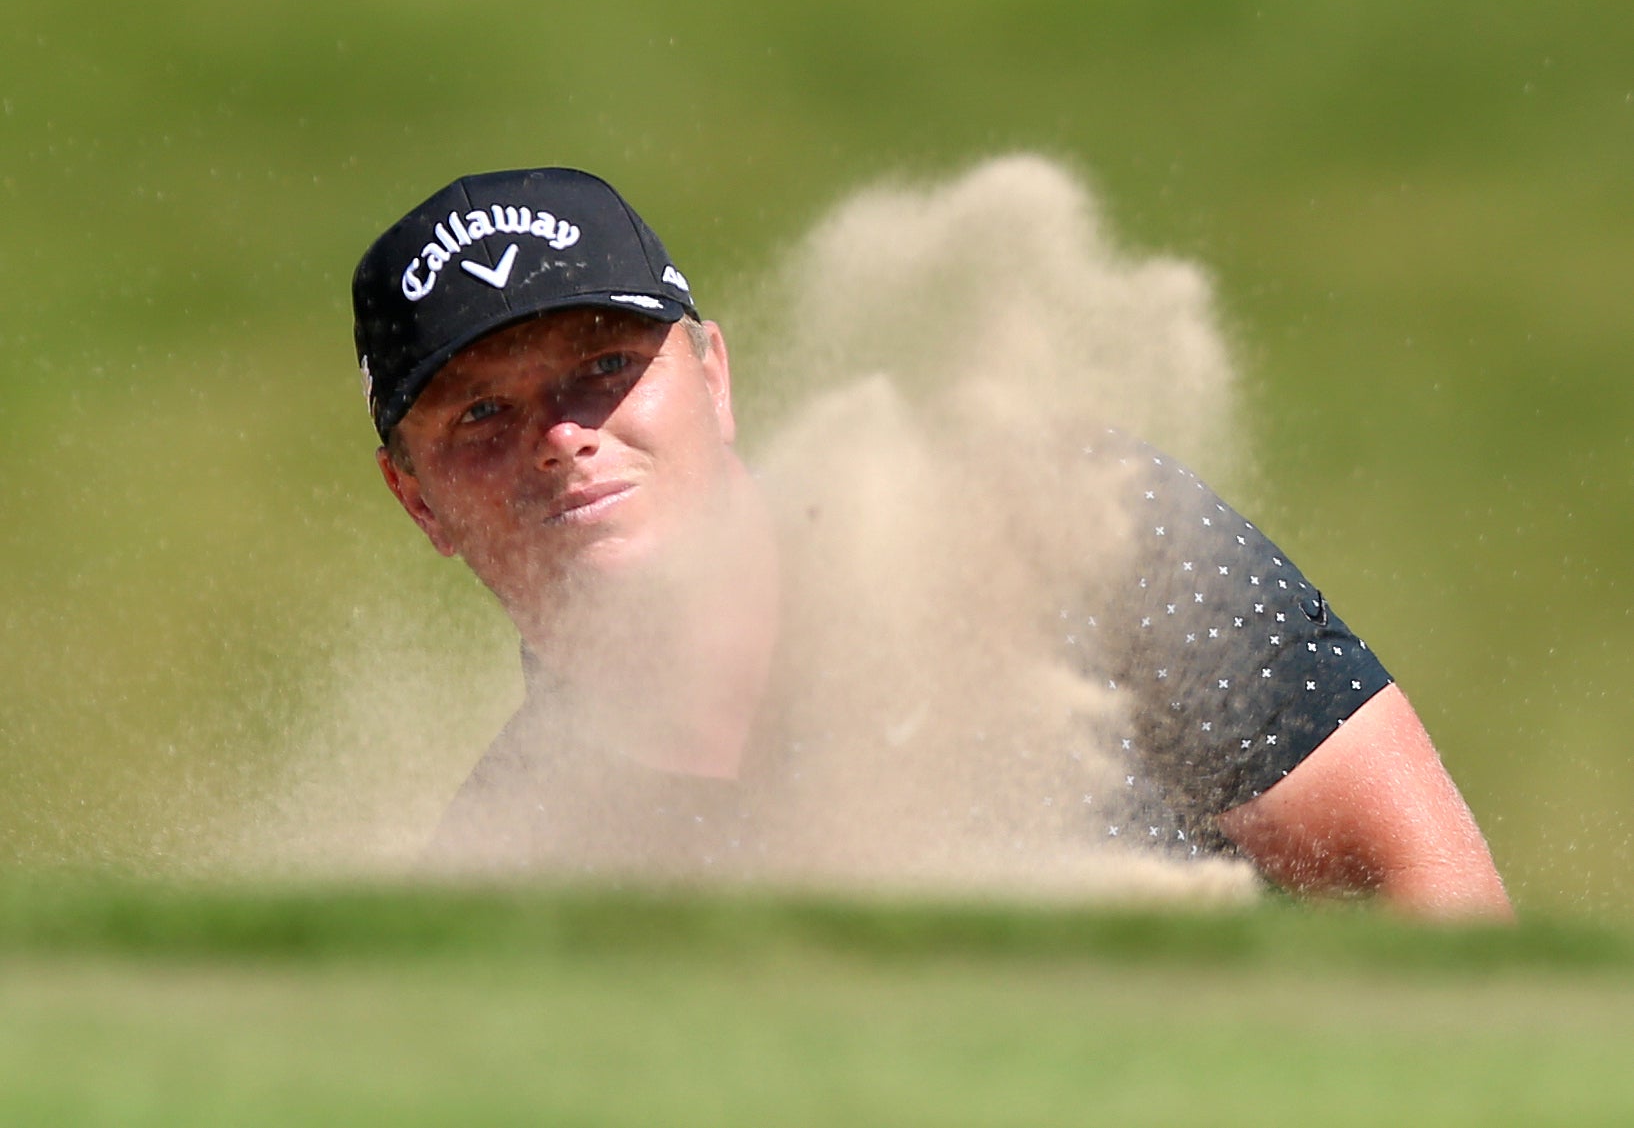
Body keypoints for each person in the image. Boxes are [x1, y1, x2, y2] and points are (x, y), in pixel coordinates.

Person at [352, 165, 1512, 915]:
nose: (560, 437)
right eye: (480, 415)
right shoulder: (513, 867)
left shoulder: (1063, 527)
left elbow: (1419, 883)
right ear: (414, 498)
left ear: (711, 377)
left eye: (604, 369)